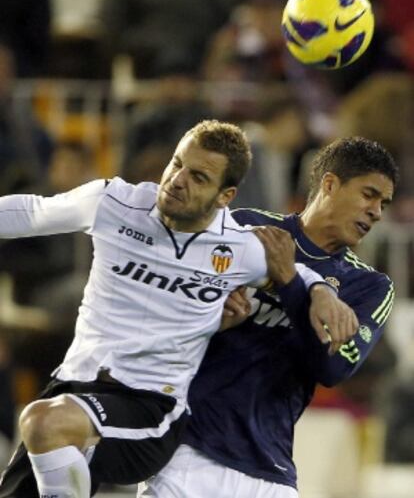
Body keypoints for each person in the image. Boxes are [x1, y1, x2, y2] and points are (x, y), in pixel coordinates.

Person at [0, 119, 353, 498]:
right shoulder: (115, 203)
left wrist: (321, 293)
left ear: (225, 196)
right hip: (72, 387)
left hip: (150, 409)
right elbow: (34, 212)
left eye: (199, 177)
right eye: (177, 163)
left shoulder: (237, 248)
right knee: (42, 431)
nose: (177, 179)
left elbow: (294, 270)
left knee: (41, 421)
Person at [142, 136, 398, 498]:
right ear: (330, 183)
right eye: (368, 194)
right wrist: (214, 315)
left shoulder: (368, 286)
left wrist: (290, 283)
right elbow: (167, 308)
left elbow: (333, 370)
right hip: (187, 449)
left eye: (384, 203)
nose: (377, 212)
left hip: (269, 472)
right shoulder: (246, 227)